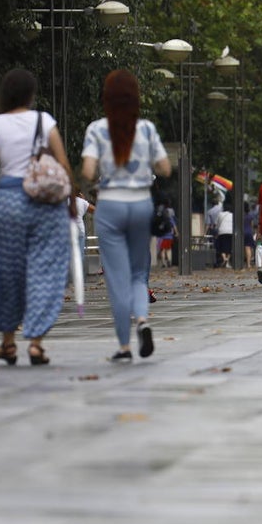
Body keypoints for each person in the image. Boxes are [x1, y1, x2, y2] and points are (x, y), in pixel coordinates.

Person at [0, 69, 74, 365]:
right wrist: (72, 200)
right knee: (45, 270)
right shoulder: (45, 121)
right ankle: (36, 343)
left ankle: (8, 342)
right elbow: (63, 162)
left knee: (7, 272)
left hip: (9, 201)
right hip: (44, 203)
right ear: (31, 95)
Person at [80, 69, 172, 363]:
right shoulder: (146, 129)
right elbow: (165, 168)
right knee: (136, 273)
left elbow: (88, 171)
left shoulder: (96, 129)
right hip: (141, 205)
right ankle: (143, 320)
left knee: (117, 279)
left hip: (110, 207)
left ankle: (123, 346)